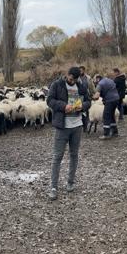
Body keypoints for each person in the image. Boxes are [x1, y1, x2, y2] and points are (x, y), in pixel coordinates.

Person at [46, 66, 91, 201]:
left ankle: (70, 182)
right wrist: (63, 106)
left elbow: (88, 101)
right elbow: (49, 101)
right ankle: (53, 187)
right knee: (57, 156)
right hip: (62, 126)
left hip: (77, 125)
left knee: (74, 155)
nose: (72, 81)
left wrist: (82, 106)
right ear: (67, 74)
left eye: (75, 79)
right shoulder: (57, 84)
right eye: (71, 79)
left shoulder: (81, 85)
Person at [96, 73, 120, 138]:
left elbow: (97, 96)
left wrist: (92, 97)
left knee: (106, 116)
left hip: (110, 100)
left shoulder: (100, 84)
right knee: (112, 115)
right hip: (116, 98)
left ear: (98, 79)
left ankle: (106, 134)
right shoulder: (110, 80)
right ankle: (115, 132)